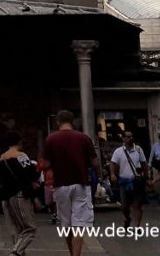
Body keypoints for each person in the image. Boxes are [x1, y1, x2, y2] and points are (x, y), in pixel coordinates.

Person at [43, 110, 98, 256]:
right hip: (81, 183)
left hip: (61, 185)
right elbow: (94, 162)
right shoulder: (83, 138)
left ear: (58, 122)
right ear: (72, 121)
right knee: (78, 225)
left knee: (66, 225)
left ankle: (72, 253)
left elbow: (46, 164)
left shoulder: (50, 139)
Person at [0, 131, 40, 256]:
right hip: (20, 194)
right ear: (19, 142)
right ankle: (15, 252)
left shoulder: (2, 158)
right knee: (30, 228)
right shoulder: (21, 156)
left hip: (6, 196)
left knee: (16, 228)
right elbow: (30, 173)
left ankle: (19, 251)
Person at [109, 131, 147, 229]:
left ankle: (137, 226)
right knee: (124, 206)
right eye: (128, 136)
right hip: (124, 181)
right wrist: (113, 174)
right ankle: (127, 218)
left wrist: (146, 177)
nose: (130, 138)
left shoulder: (138, 150)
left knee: (137, 204)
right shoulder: (118, 151)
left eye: (131, 136)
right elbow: (113, 163)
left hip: (136, 181)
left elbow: (144, 164)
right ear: (123, 138)